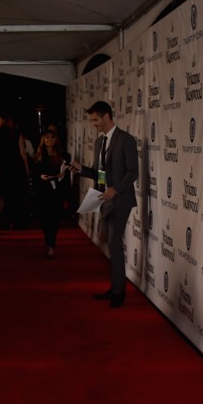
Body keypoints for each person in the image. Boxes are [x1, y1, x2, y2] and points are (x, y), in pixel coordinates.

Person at [70, 100, 138, 308]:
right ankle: (115, 287)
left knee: (115, 244)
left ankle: (119, 293)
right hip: (104, 201)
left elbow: (133, 172)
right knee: (109, 243)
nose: (93, 124)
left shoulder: (125, 139)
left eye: (95, 119)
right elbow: (99, 174)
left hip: (121, 200)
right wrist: (80, 169)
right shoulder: (100, 143)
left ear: (106, 116)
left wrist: (114, 190)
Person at [31, 130, 69, 258]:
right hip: (42, 192)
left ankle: (51, 244)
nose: (49, 140)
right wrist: (40, 177)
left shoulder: (63, 156)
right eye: (47, 138)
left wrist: (66, 196)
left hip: (57, 192)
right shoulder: (38, 155)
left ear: (56, 139)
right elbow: (34, 175)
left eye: (52, 137)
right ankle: (48, 241)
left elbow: (67, 178)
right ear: (43, 139)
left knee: (54, 220)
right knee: (45, 220)